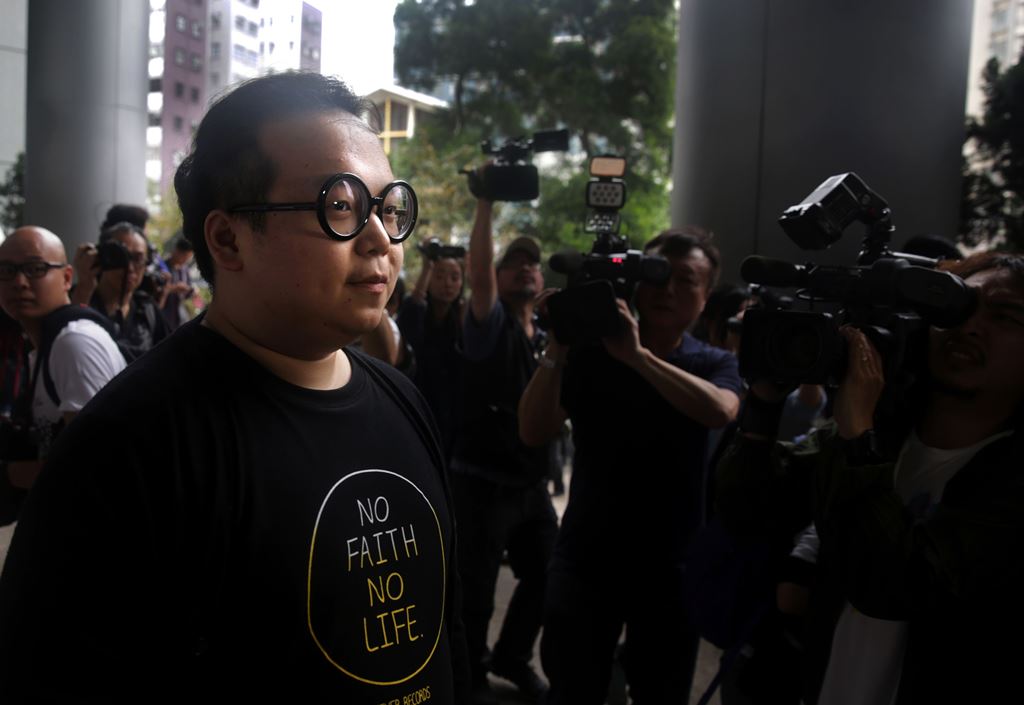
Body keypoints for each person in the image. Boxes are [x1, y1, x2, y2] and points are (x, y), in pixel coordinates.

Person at [0, 72, 468, 703]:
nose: (382, 239)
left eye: (388, 209)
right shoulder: (129, 447)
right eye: (340, 206)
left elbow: (445, 635)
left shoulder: (401, 400)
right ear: (227, 238)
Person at [714, 251, 1024, 704]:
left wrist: (856, 435)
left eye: (1006, 317)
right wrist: (763, 402)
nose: (970, 325)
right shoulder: (887, 432)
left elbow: (892, 585)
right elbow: (747, 513)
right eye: (957, 304)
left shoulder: (1010, 477)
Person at [518, 228, 743, 704]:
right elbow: (534, 431)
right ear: (634, 280)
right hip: (586, 557)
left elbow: (720, 411)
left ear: (706, 298)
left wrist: (638, 358)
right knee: (573, 689)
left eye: (688, 281)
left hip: (671, 568)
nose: (668, 290)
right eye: (658, 275)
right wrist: (558, 345)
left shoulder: (713, 363)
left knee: (661, 693)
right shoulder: (589, 353)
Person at [449, 190, 558, 704]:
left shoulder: (547, 337)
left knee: (548, 576)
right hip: (482, 482)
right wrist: (486, 205)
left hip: (532, 485)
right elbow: (478, 274)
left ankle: (513, 658)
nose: (526, 270)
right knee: (476, 592)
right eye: (514, 264)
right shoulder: (488, 326)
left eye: (532, 264)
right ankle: (469, 674)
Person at [0, 226, 125, 503]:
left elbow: (94, 468)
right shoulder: (45, 344)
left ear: (67, 277)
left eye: (35, 268)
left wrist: (10, 474)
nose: (19, 282)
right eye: (7, 271)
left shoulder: (75, 343)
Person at [398, 244, 465, 460]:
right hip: (418, 410)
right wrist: (427, 266)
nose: (447, 283)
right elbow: (409, 325)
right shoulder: (415, 311)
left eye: (455, 277)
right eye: (439, 276)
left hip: (453, 420)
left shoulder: (462, 318)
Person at [71, 221, 172, 361]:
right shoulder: (79, 299)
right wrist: (84, 286)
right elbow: (67, 340)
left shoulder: (146, 308)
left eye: (138, 258)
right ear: (102, 256)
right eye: (119, 256)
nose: (129, 267)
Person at [160, 235, 196, 330]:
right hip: (164, 315)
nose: (185, 261)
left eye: (188, 258)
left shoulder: (184, 270)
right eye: (184, 257)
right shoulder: (162, 267)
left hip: (179, 317)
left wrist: (190, 291)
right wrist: (173, 289)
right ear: (177, 251)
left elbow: (188, 290)